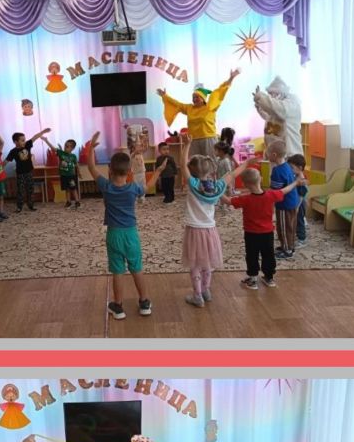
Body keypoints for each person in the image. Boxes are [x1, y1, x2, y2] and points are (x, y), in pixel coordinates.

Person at [85, 131, 164, 321]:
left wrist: (91, 149)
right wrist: (158, 171)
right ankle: (144, 302)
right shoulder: (133, 188)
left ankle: (118, 306)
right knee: (137, 268)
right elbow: (148, 186)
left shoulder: (106, 186)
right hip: (131, 234)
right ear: (129, 172)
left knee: (117, 271)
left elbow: (91, 167)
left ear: (110, 170)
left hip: (113, 235)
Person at [229, 163, 303, 290]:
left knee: (251, 255)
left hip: (251, 234)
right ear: (261, 179)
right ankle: (269, 278)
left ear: (245, 185)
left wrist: (216, 193)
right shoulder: (271, 195)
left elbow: (228, 201)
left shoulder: (244, 199)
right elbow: (285, 190)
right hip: (267, 233)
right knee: (268, 255)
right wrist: (296, 182)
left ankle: (253, 279)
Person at [176, 140, 227, 308]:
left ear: (191, 171)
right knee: (207, 263)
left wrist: (187, 144)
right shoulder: (216, 187)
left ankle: (197, 296)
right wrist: (246, 164)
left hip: (194, 230)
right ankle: (206, 290)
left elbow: (182, 164)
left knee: (195, 264)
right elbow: (232, 175)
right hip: (210, 230)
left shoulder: (193, 185)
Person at [157, 72, 240, 156]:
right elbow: (177, 104)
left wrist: (231, 79)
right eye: (193, 97)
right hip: (193, 140)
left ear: (203, 98)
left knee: (211, 161)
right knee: (195, 162)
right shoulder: (189, 108)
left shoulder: (210, 106)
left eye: (197, 97)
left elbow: (220, 92)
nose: (194, 99)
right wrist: (165, 96)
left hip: (208, 138)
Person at [266, 138, 301, 258]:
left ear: (274, 155)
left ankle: (287, 250)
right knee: (290, 226)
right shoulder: (287, 166)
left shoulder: (277, 171)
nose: (267, 156)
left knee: (283, 227)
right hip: (292, 202)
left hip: (284, 205)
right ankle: (289, 246)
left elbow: (275, 193)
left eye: (268, 154)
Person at [4, 127, 49, 212]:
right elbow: (6, 161)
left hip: (29, 172)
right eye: (22, 140)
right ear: (15, 142)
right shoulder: (13, 151)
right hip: (20, 173)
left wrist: (43, 131)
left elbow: (35, 137)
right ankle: (19, 207)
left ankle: (31, 205)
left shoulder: (27, 145)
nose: (24, 141)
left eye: (24, 140)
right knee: (20, 190)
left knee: (30, 189)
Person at [39, 133, 84, 208]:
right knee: (67, 189)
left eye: (67, 146)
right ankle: (68, 202)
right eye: (65, 145)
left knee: (73, 188)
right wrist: (46, 141)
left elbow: (76, 165)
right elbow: (53, 148)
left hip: (71, 176)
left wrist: (79, 173)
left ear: (72, 148)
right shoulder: (61, 153)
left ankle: (77, 202)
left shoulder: (73, 156)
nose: (65, 147)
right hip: (63, 175)